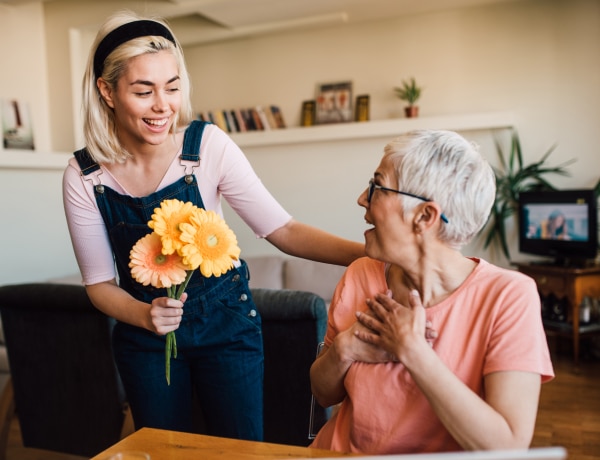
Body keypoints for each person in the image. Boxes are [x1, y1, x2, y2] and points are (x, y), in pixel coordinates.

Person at [62, 10, 363, 441]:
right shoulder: (85, 175)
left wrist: (372, 253)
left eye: (172, 86)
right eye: (143, 91)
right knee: (164, 450)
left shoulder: (205, 147)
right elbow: (98, 284)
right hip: (146, 340)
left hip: (229, 329)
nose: (163, 105)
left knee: (240, 449)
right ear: (107, 91)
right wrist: (145, 316)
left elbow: (284, 231)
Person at [309, 130, 554, 454]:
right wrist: (344, 348)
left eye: (377, 187)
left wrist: (413, 351)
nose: (362, 199)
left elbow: (507, 446)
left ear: (424, 216)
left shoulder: (509, 296)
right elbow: (323, 394)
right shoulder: (361, 275)